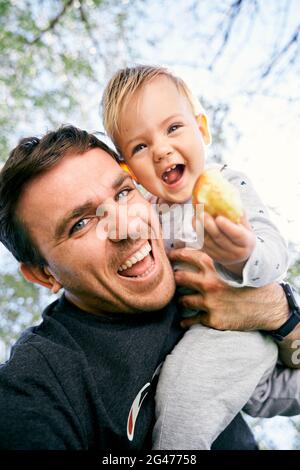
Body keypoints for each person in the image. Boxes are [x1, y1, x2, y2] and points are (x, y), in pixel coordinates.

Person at [0, 126, 297, 450]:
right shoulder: (39, 385)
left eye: (124, 193)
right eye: (81, 224)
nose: (127, 227)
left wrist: (278, 312)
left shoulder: (195, 264)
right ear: (44, 275)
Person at [101, 65, 300, 449]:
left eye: (173, 128)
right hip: (225, 352)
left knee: (182, 393)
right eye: (140, 147)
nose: (160, 149)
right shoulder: (149, 210)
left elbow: (277, 256)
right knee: (256, 401)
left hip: (234, 335)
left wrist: (245, 254)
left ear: (202, 130)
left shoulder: (226, 182)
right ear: (130, 170)